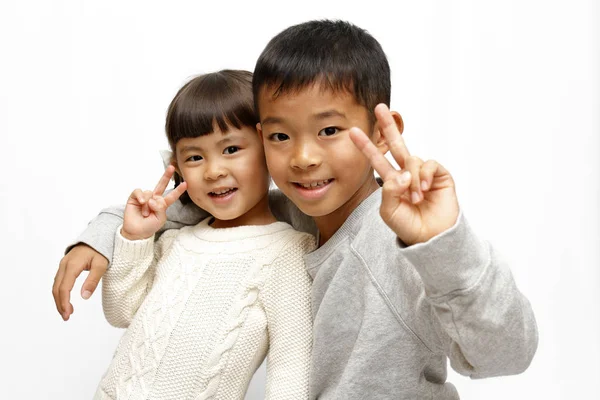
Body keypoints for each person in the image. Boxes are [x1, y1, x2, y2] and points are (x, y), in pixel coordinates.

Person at [54, 20, 538, 399]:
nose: (303, 157)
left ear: (378, 130)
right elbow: (183, 208)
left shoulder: (398, 240)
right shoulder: (285, 215)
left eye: (329, 131)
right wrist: (103, 232)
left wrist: (443, 242)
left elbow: (506, 355)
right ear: (261, 140)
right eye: (281, 136)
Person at [92, 70, 314, 399]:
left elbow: (292, 371)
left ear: (269, 147)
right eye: (195, 157)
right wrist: (135, 238)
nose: (213, 171)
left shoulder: (288, 251)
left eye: (231, 149)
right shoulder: (174, 242)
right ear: (178, 168)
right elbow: (120, 312)